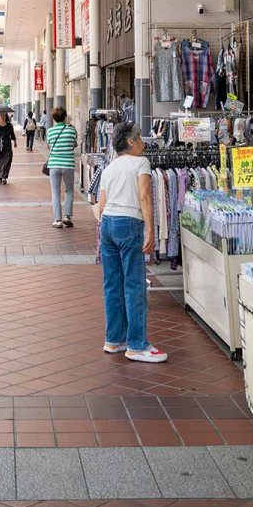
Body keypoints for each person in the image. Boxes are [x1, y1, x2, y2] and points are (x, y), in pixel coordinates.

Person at [98, 122, 168, 363]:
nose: (143, 143)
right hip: (129, 223)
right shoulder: (141, 163)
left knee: (112, 285)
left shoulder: (110, 168)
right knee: (135, 284)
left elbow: (101, 205)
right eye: (139, 139)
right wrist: (150, 228)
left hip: (107, 224)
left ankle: (114, 339)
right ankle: (137, 345)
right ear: (130, 142)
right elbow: (145, 195)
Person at [45, 106, 77, 227]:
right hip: (68, 164)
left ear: (54, 118)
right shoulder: (71, 130)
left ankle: (57, 220)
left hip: (54, 164)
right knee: (69, 190)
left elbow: (48, 146)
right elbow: (74, 145)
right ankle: (67, 216)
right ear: (65, 117)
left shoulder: (50, 131)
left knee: (55, 192)